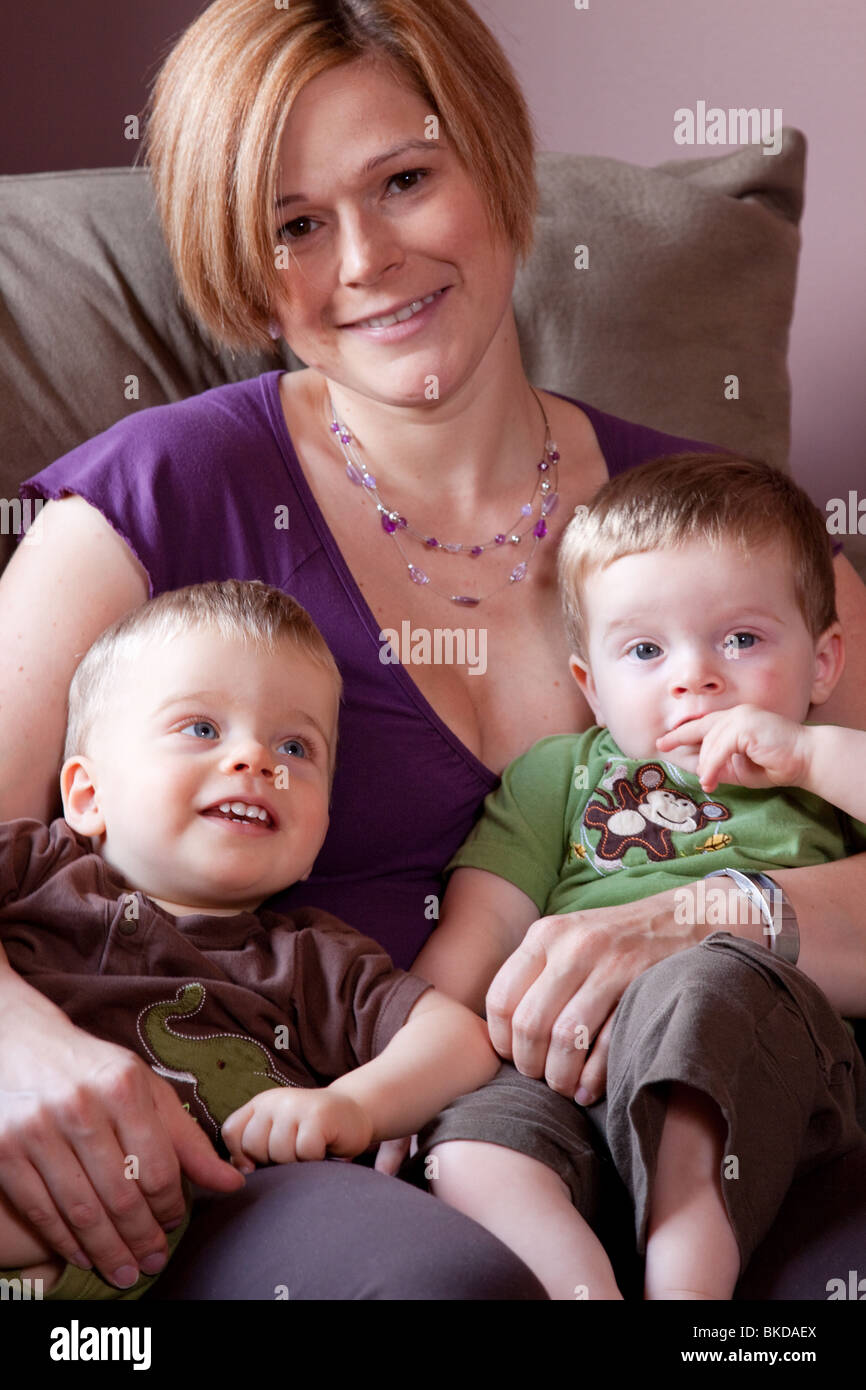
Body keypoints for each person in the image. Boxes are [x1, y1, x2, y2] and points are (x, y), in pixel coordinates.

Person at [0, 0, 864, 1299]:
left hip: (757, 1106)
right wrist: (13, 1046)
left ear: (493, 162)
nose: (364, 260)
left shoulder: (722, 526)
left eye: (404, 179)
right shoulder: (148, 501)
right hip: (341, 1173)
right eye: (296, 224)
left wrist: (717, 911)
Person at [411, 455, 866, 1299]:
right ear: (591, 684)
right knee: (468, 1146)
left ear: (824, 661)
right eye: (646, 649)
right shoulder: (557, 777)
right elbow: (475, 945)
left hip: (747, 1056)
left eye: (742, 639)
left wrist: (816, 751)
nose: (694, 675)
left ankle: (687, 1290)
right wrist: (393, 1072)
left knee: (701, 985)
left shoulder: (817, 781)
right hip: (561, 1063)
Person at [0, 578, 504, 1299]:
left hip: (200, 1233)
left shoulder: (310, 958)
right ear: (88, 794)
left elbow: (456, 1039)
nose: (257, 761)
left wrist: (354, 1105)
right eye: (202, 728)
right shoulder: (33, 868)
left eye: (296, 746)